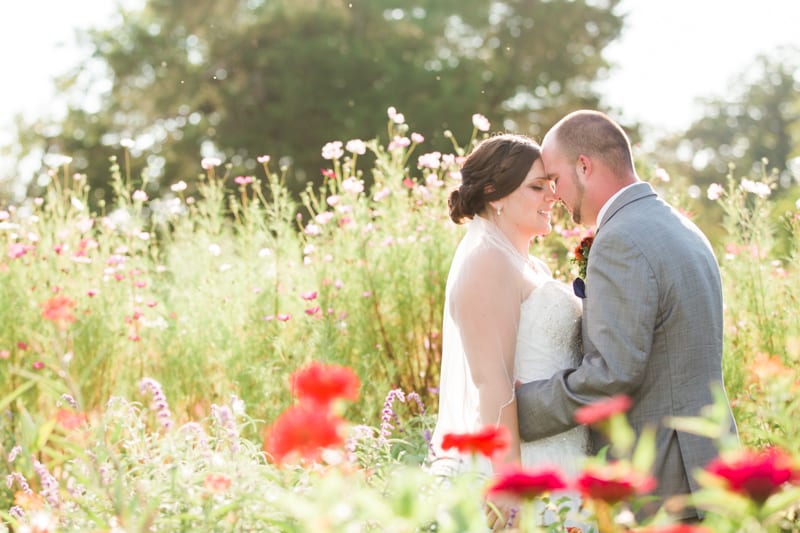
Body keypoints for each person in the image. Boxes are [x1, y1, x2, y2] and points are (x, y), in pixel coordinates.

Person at [515, 110, 739, 521]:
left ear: (584, 165)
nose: (554, 195)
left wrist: (515, 409)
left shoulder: (620, 239)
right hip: (705, 459)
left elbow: (611, 374)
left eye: (556, 179)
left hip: (662, 476)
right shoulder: (680, 227)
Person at [428, 133, 590, 529]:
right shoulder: (486, 263)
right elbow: (492, 383)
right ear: (495, 194)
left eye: (551, 185)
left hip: (562, 447)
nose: (552, 196)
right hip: (525, 460)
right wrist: (510, 484)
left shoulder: (529, 266)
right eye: (537, 187)